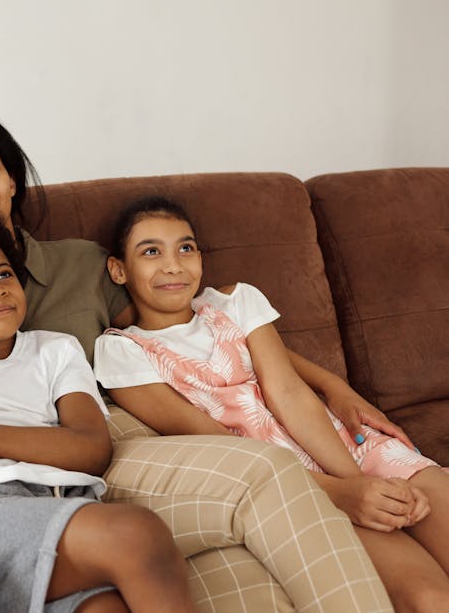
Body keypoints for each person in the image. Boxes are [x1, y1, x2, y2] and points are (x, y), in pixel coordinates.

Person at [0, 112, 394, 611]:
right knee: (243, 539)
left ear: (12, 181)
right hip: (17, 479)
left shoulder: (81, 263)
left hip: (116, 429)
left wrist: (328, 383)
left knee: (254, 537)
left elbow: (193, 317)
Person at [93, 195, 449, 612]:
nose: (173, 265)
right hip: (292, 490)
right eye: (151, 251)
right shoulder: (122, 352)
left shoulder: (234, 302)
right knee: (430, 598)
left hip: (347, 449)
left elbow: (290, 393)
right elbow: (217, 447)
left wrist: (362, 483)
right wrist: (342, 493)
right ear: (119, 269)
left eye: (185, 248)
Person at [0, 204, 197, 612]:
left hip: (62, 500)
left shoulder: (56, 349)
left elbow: (92, 449)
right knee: (137, 535)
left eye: (4, 274)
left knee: (105, 608)